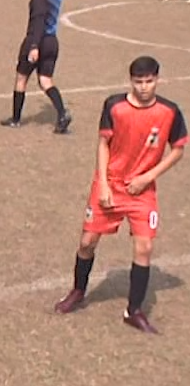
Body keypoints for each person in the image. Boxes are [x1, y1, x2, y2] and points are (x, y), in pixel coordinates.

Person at [54, 56, 186, 333]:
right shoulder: (114, 106)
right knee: (88, 242)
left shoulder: (170, 111)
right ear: (131, 81)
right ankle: (78, 291)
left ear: (158, 79)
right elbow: (103, 144)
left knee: (145, 248)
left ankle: (133, 310)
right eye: (138, 82)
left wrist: (148, 177)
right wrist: (102, 183)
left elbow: (177, 150)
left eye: (149, 81)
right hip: (111, 185)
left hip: (142, 191)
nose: (144, 87)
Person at [0, 0, 72, 133]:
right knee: (45, 81)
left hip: (36, 41)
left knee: (21, 78)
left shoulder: (39, 1)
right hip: (52, 41)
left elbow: (38, 22)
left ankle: (15, 120)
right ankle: (62, 113)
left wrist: (34, 46)